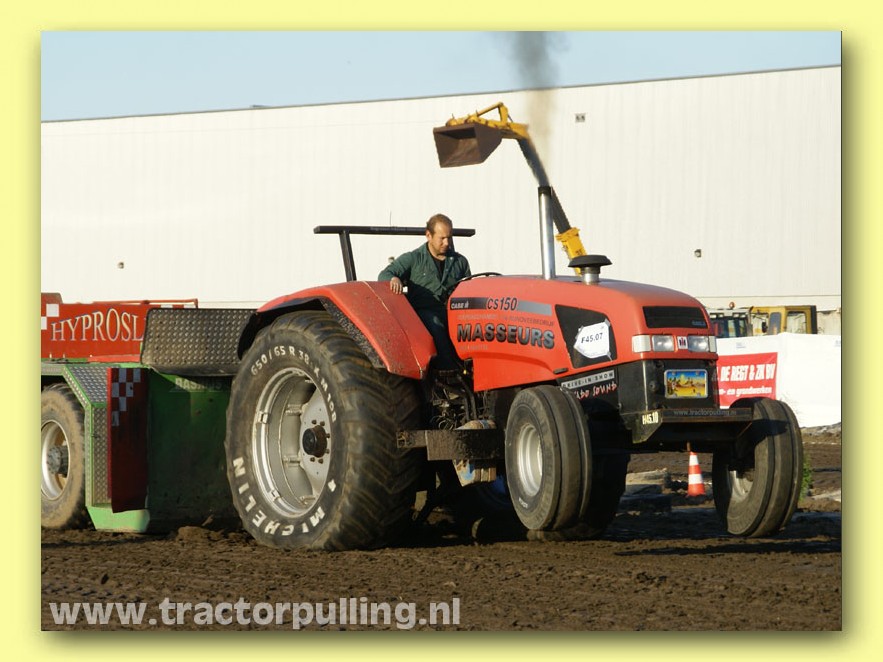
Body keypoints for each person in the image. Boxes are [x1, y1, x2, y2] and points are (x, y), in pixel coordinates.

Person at [378, 213, 471, 369]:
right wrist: (394, 279)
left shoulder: (460, 262)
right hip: (423, 313)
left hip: (452, 311)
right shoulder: (413, 259)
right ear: (429, 235)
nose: (447, 243)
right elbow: (385, 274)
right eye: (442, 238)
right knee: (436, 325)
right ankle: (448, 371)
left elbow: (469, 289)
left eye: (449, 237)